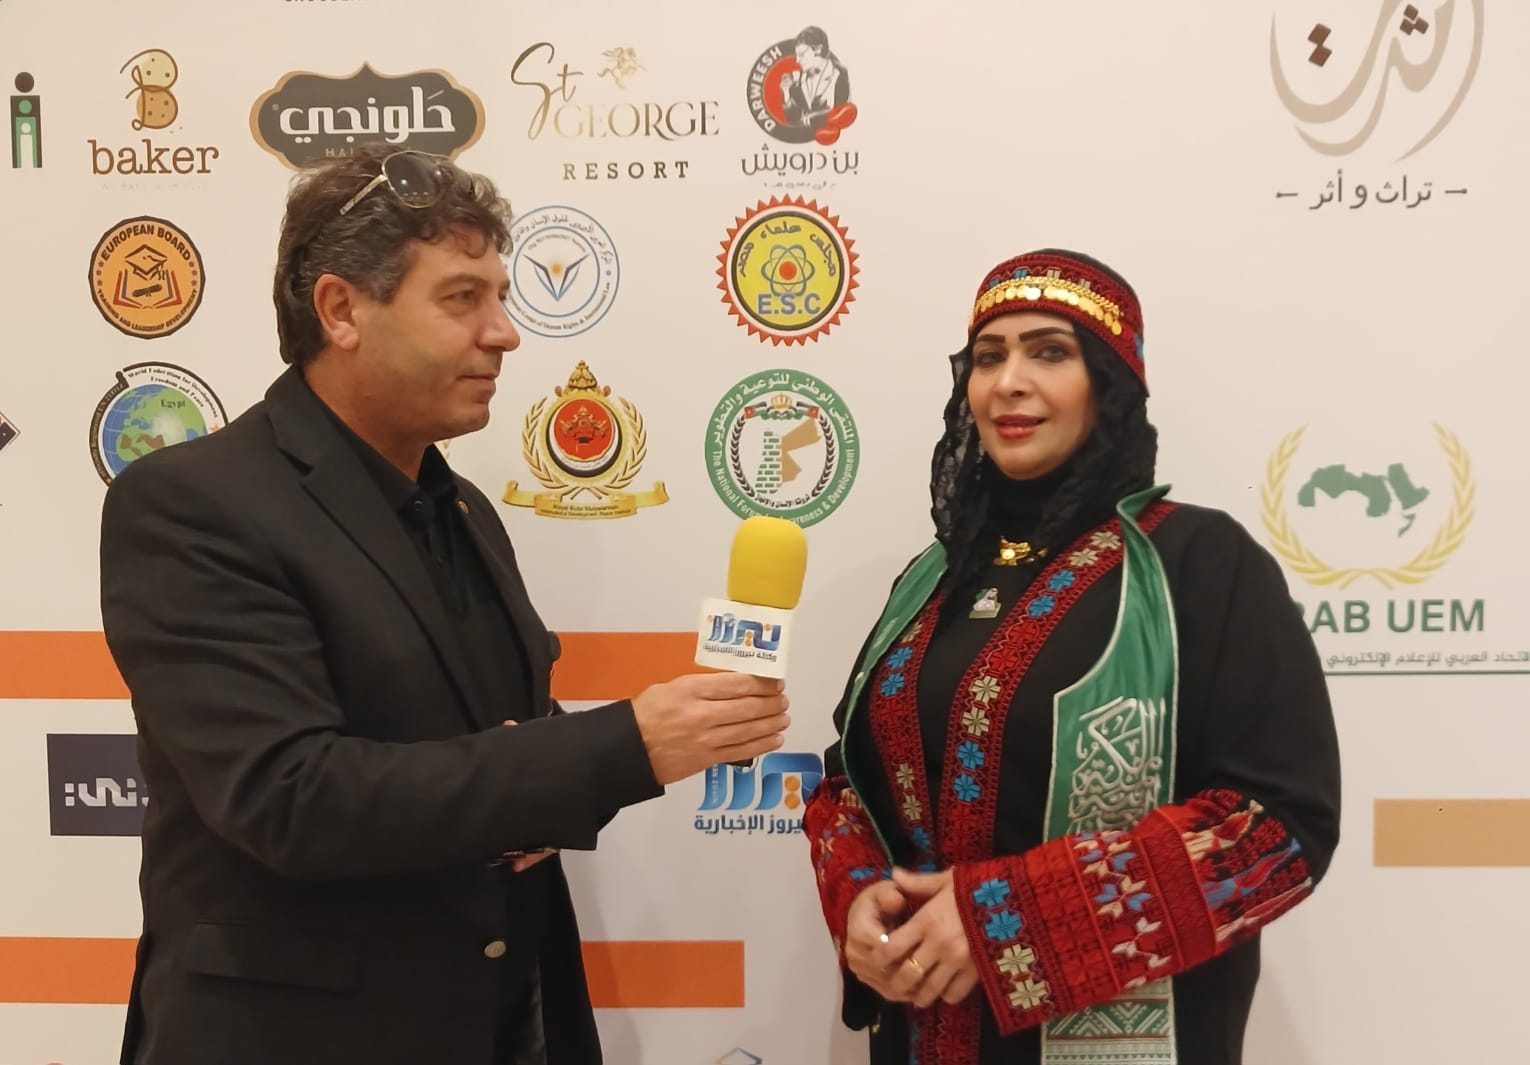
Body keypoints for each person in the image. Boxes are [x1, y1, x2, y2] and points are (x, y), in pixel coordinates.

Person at [97, 144, 790, 1065]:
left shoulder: (463, 508)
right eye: (463, 298)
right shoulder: (191, 503)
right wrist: (623, 746)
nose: (504, 332)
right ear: (341, 310)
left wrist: (560, 778)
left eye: (500, 296)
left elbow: (489, 747)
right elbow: (290, 797)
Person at [803, 249, 1341, 1065]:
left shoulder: (1198, 561)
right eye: (989, 357)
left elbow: (1277, 831)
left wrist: (1000, 920)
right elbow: (849, 782)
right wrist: (855, 896)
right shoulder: (935, 577)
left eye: (1050, 352)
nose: (1009, 382)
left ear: (1109, 383)